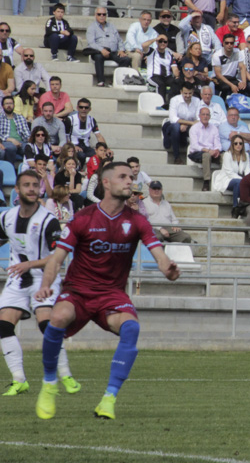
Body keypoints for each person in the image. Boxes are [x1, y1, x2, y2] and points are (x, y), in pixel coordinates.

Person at [33, 162, 177, 420]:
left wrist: (168, 269)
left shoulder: (137, 221)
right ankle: (49, 383)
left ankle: (109, 399)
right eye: (123, 177)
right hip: (78, 291)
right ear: (106, 183)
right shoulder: (84, 217)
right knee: (57, 318)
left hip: (112, 294)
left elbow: (158, 253)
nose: (129, 182)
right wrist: (46, 285)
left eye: (131, 177)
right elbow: (56, 259)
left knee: (131, 328)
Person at [0, 172, 79, 397]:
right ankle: (19, 380)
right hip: (17, 278)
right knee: (4, 326)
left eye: (36, 185)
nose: (32, 189)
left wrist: (29, 264)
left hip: (44, 277)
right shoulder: (6, 217)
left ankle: (65, 374)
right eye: (27, 185)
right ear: (17, 189)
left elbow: (58, 256)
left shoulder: (48, 220)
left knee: (47, 324)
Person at [87, 7, 128, 88]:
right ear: (95, 15)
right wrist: (102, 50)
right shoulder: (92, 27)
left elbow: (119, 40)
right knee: (98, 57)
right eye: (99, 14)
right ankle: (101, 81)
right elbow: (91, 43)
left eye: (104, 14)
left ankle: (113, 81)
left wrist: (121, 50)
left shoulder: (111, 26)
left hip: (112, 51)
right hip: (99, 51)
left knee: (126, 59)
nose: (101, 16)